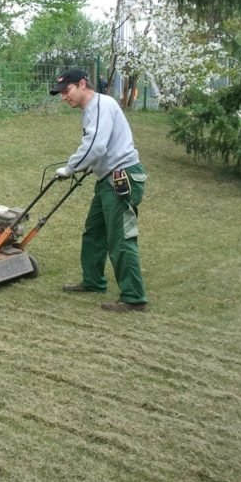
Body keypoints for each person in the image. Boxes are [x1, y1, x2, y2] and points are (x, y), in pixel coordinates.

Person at [49, 68, 149, 312]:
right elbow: (98, 148)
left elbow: (95, 146)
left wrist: (70, 168)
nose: (63, 97)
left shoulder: (102, 104)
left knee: (121, 238)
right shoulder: (91, 110)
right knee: (94, 232)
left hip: (121, 177)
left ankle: (134, 297)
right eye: (60, 93)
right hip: (107, 179)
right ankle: (93, 281)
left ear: (82, 84)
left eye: (66, 90)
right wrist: (88, 167)